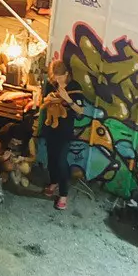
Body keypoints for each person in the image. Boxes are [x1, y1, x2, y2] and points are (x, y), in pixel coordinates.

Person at [38, 73, 84, 210]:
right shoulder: (52, 85)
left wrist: (67, 99)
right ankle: (54, 182)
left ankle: (63, 194)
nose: (58, 79)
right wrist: (48, 99)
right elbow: (44, 102)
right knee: (51, 158)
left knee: (61, 161)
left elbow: (80, 111)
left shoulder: (75, 87)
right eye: (55, 76)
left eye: (60, 76)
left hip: (65, 131)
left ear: (66, 74)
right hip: (50, 127)